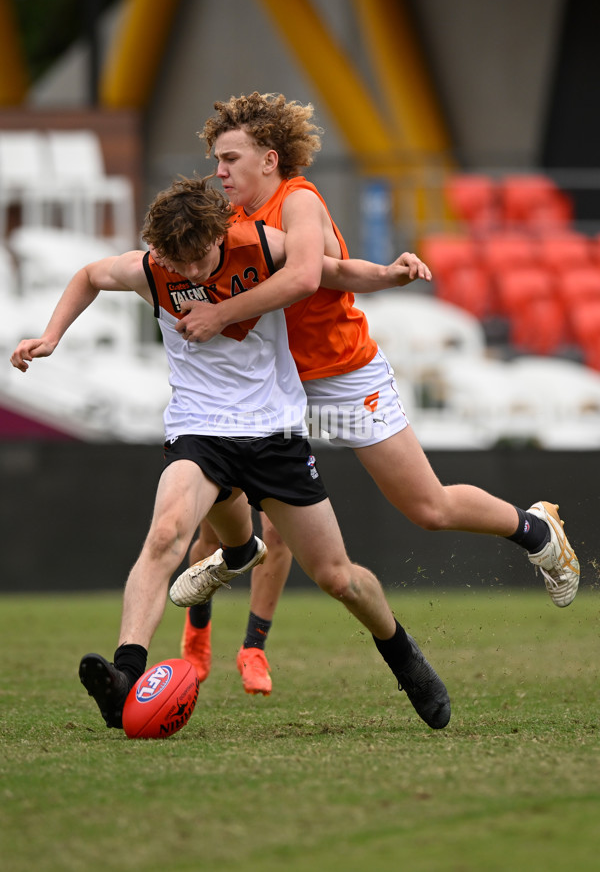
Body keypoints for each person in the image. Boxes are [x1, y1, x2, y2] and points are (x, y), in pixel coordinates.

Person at [170, 92, 580, 697]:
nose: (220, 170)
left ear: (270, 159)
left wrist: (221, 312)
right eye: (216, 159)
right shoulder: (225, 218)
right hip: (273, 388)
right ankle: (219, 643)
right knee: (225, 506)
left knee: (428, 508)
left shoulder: (299, 199)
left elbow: (309, 276)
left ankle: (536, 531)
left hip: (341, 377)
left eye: (230, 158)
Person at [10, 174, 450, 732]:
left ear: (222, 231)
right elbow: (90, 275)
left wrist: (390, 273)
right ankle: (125, 677)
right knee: (167, 534)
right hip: (200, 431)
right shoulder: (153, 267)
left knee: (339, 578)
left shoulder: (263, 245)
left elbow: (332, 271)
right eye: (178, 261)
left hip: (275, 433)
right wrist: (51, 336)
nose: (190, 272)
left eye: (200, 258)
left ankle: (403, 656)